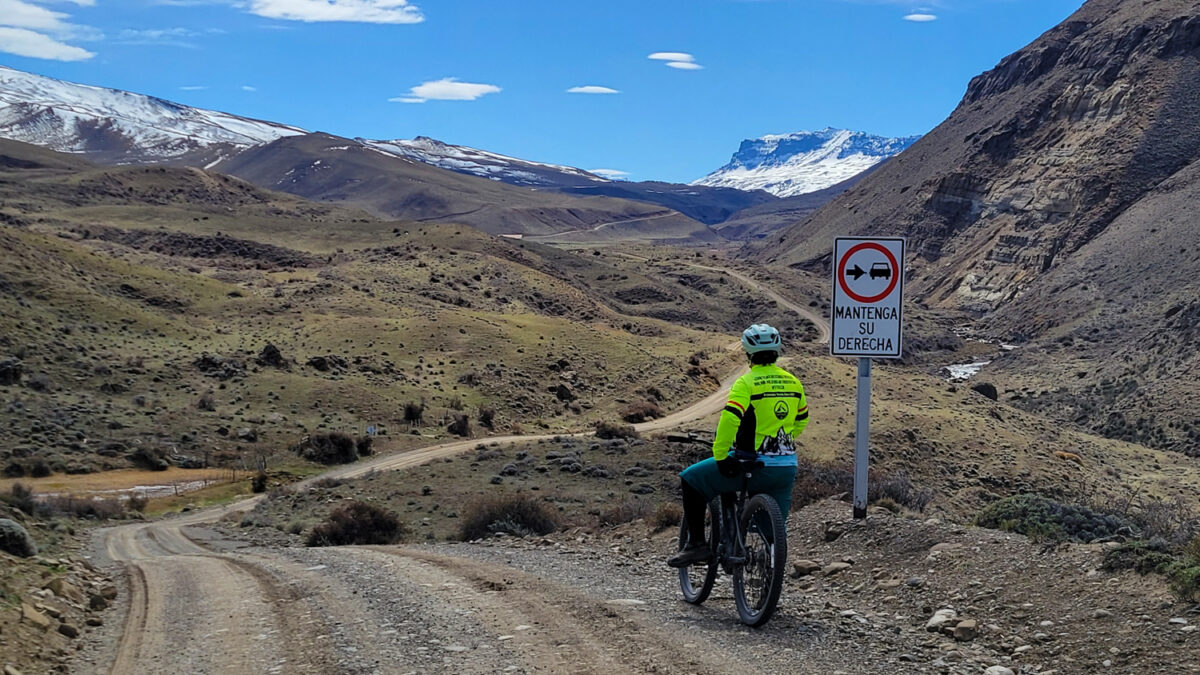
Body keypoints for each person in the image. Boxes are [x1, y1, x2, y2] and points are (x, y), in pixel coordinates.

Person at [667, 323, 809, 568]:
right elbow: (801, 420)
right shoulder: (793, 382)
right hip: (786, 467)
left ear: (747, 353)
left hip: (752, 464)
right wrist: (780, 442)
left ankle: (697, 545)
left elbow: (731, 418)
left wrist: (721, 454)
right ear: (776, 352)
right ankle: (769, 566)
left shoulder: (747, 383)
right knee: (772, 529)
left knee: (691, 478)